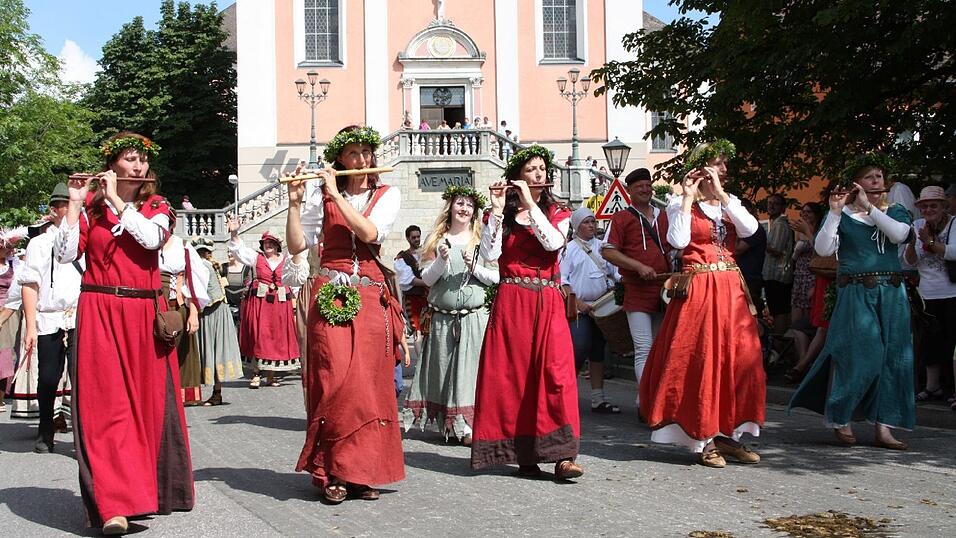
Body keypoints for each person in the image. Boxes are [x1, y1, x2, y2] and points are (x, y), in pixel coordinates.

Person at [55, 131, 193, 534]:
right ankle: (113, 504)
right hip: (99, 308)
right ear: (113, 165)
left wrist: (117, 201)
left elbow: (151, 240)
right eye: (129, 159)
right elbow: (65, 254)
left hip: (142, 314)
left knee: (147, 406)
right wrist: (77, 203)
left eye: (141, 160)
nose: (137, 166)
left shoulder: (157, 206)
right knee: (106, 406)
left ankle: (143, 494)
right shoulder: (93, 210)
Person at [285, 125, 407, 503]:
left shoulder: (388, 194)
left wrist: (335, 193)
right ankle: (334, 470)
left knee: (368, 385)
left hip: (370, 298)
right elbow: (297, 245)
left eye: (367, 153)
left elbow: (370, 233)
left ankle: (364, 471)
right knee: (334, 380)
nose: (362, 160)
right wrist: (294, 202)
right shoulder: (319, 199)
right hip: (330, 294)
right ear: (339, 159)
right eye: (353, 153)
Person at [640, 140, 765, 468]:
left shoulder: (729, 202)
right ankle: (704, 437)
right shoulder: (678, 203)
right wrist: (686, 198)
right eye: (717, 164)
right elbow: (679, 242)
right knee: (703, 359)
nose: (723, 170)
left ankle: (729, 435)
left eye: (723, 165)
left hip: (731, 290)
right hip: (701, 290)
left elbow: (752, 231)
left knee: (741, 358)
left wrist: (723, 195)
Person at [470, 145, 583, 480]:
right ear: (517, 176)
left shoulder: (558, 212)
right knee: (514, 377)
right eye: (532, 169)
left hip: (547, 299)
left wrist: (532, 205)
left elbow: (553, 244)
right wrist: (495, 208)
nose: (539, 174)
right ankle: (524, 454)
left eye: (542, 169)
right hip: (512, 299)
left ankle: (563, 454)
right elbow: (490, 255)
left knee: (556, 374)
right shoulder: (501, 216)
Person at [790, 153, 914, 450]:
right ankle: (841, 418)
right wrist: (834, 212)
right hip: (856, 293)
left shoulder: (894, 211)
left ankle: (884, 428)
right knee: (859, 355)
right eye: (870, 177)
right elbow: (822, 247)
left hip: (892, 293)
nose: (876, 181)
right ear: (856, 183)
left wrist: (870, 207)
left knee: (894, 359)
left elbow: (899, 235)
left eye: (879, 177)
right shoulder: (842, 216)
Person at [403, 185, 498, 443]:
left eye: (469, 205)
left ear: (474, 211)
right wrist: (442, 260)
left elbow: (496, 277)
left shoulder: (481, 242)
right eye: (460, 203)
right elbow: (426, 278)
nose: (464, 208)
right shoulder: (438, 240)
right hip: (443, 317)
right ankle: (450, 422)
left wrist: (474, 267)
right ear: (451, 207)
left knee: (469, 370)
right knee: (443, 369)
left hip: (474, 317)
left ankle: (467, 427)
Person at [17, 184, 83, 452]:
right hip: (49, 317)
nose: (72, 210)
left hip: (80, 316)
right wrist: (31, 326)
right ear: (54, 211)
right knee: (47, 377)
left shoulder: (84, 241)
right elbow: (29, 284)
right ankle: (46, 429)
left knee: (81, 378)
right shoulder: (39, 243)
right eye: (67, 205)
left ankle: (83, 435)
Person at [601, 168, 670, 411]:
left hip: (664, 290)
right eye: (639, 186)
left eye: (648, 185)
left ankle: (648, 399)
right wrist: (638, 266)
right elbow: (607, 250)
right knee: (644, 348)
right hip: (637, 290)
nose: (645, 189)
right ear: (629, 191)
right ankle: (648, 403)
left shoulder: (664, 215)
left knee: (660, 348)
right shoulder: (622, 218)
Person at [561, 207, 621, 413]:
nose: (591, 225)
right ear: (577, 226)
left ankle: (598, 398)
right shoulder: (568, 250)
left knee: (598, 351)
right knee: (578, 349)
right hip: (581, 311)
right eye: (586, 222)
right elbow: (563, 281)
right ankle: (566, 396)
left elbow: (615, 273)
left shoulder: (604, 247)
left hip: (603, 308)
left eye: (593, 222)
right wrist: (578, 304)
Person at [227, 225, 300, 388]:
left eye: (272, 243)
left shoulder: (286, 260)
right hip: (260, 304)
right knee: (259, 335)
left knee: (276, 336)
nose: (268, 245)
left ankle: (271, 376)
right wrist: (234, 232)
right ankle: (256, 373)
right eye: (266, 242)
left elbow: (295, 279)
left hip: (280, 303)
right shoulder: (256, 258)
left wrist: (298, 299)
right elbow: (239, 249)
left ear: (277, 245)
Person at [903, 186, 956, 407]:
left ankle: (953, 388)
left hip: (953, 292)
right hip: (927, 293)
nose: (928, 209)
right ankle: (932, 386)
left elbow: (954, 252)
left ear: (943, 206)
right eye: (924, 206)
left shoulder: (954, 224)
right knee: (930, 341)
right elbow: (909, 261)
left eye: (933, 205)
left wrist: (931, 242)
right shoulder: (917, 226)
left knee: (953, 341)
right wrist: (913, 243)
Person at [192, 238, 244, 406]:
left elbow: (203, 293)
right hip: (214, 310)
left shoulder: (202, 265)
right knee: (213, 350)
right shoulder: (207, 264)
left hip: (212, 312)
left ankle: (215, 394)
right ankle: (215, 392)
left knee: (213, 350)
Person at [159, 234, 207, 405]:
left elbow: (195, 283)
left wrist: (194, 313)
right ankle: (157, 395)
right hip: (153, 306)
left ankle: (176, 397)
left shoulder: (184, 246)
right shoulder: (145, 242)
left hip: (179, 306)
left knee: (180, 353)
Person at [762, 193, 794, 334]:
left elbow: (776, 250)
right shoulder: (776, 224)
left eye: (775, 203)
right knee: (778, 309)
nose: (771, 206)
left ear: (783, 207)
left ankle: (781, 341)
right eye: (769, 203)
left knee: (779, 310)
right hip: (775, 275)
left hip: (777, 275)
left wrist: (761, 242)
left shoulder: (780, 225)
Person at [395, 225, 429, 334]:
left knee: (430, 329)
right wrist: (428, 282)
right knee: (417, 330)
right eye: (414, 237)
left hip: (430, 298)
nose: (417, 239)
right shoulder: (402, 257)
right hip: (413, 299)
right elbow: (409, 280)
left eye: (418, 237)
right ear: (408, 238)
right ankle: (419, 352)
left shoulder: (427, 253)